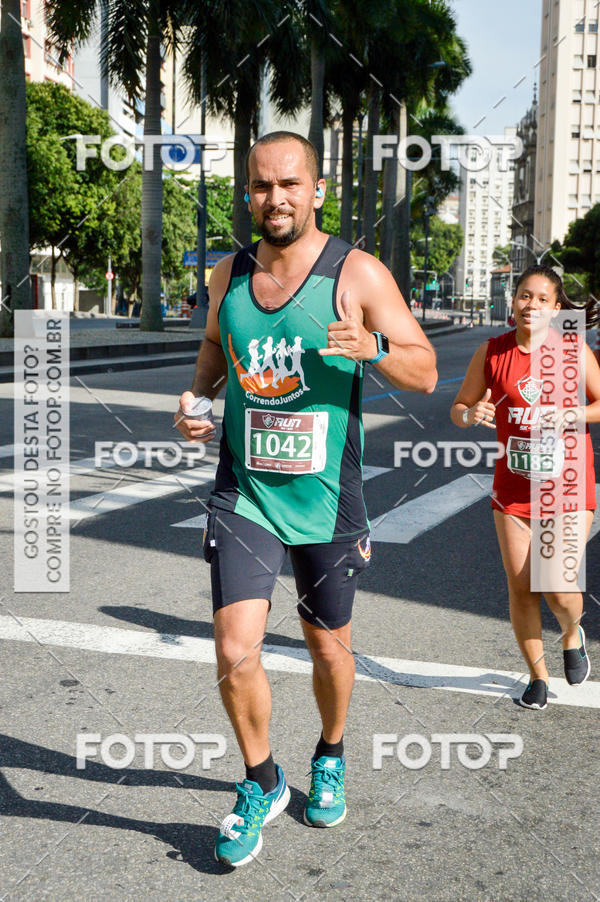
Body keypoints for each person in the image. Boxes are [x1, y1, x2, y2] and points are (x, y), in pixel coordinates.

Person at [175, 130, 437, 867]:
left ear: (317, 191)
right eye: (262, 186)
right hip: (245, 494)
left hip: (326, 500)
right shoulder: (228, 275)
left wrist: (374, 350)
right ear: (248, 194)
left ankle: (329, 750)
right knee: (234, 649)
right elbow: (212, 356)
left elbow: (422, 370)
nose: (276, 197)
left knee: (327, 646)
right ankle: (262, 779)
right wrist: (199, 402)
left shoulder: (355, 273)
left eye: (290, 184)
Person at [451, 265, 600, 710]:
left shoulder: (572, 350)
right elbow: (459, 406)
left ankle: (572, 634)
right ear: (512, 301)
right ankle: (537, 675)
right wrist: (469, 414)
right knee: (521, 587)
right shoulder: (493, 352)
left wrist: (572, 415)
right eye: (523, 295)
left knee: (557, 586)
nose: (530, 304)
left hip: (568, 485)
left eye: (541, 298)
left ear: (556, 309)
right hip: (513, 487)